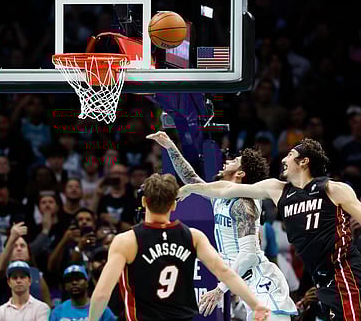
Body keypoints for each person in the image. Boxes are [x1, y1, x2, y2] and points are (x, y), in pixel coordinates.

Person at [179, 138, 361, 320]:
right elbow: (225, 189)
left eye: (290, 154)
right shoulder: (277, 189)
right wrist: (192, 189)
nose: (284, 158)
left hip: (345, 274)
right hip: (322, 279)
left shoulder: (333, 189)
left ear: (304, 161)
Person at [147, 131, 297, 320]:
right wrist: (170, 147)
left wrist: (220, 289)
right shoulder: (219, 198)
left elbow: (249, 254)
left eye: (235, 160)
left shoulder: (245, 202)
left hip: (262, 283)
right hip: (245, 287)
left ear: (241, 173)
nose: (228, 160)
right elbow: (192, 180)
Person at [88, 173, 270, 321]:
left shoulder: (126, 241)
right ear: (174, 204)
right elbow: (226, 273)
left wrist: (91, 320)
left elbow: (103, 293)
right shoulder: (193, 236)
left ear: (144, 202)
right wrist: (256, 304)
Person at [50, 264, 115, 321]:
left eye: (78, 279)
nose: (74, 282)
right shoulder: (57, 312)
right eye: (69, 280)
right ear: (65, 286)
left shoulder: (101, 309)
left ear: (87, 283)